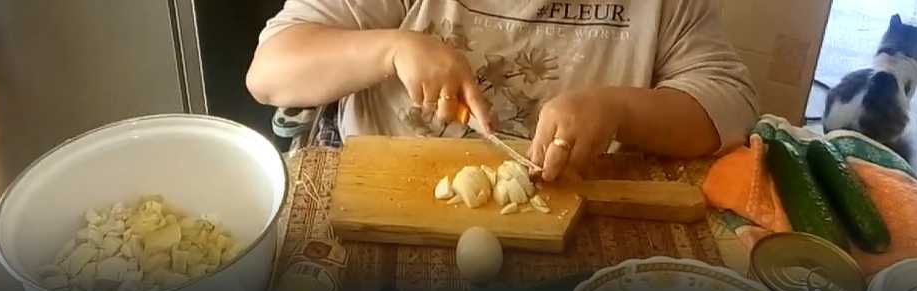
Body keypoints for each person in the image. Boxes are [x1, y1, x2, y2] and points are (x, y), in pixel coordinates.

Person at [247, 0, 758, 182]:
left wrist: (618, 109)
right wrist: (392, 49)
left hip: (578, 209)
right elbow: (269, 72)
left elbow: (729, 104)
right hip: (387, 194)